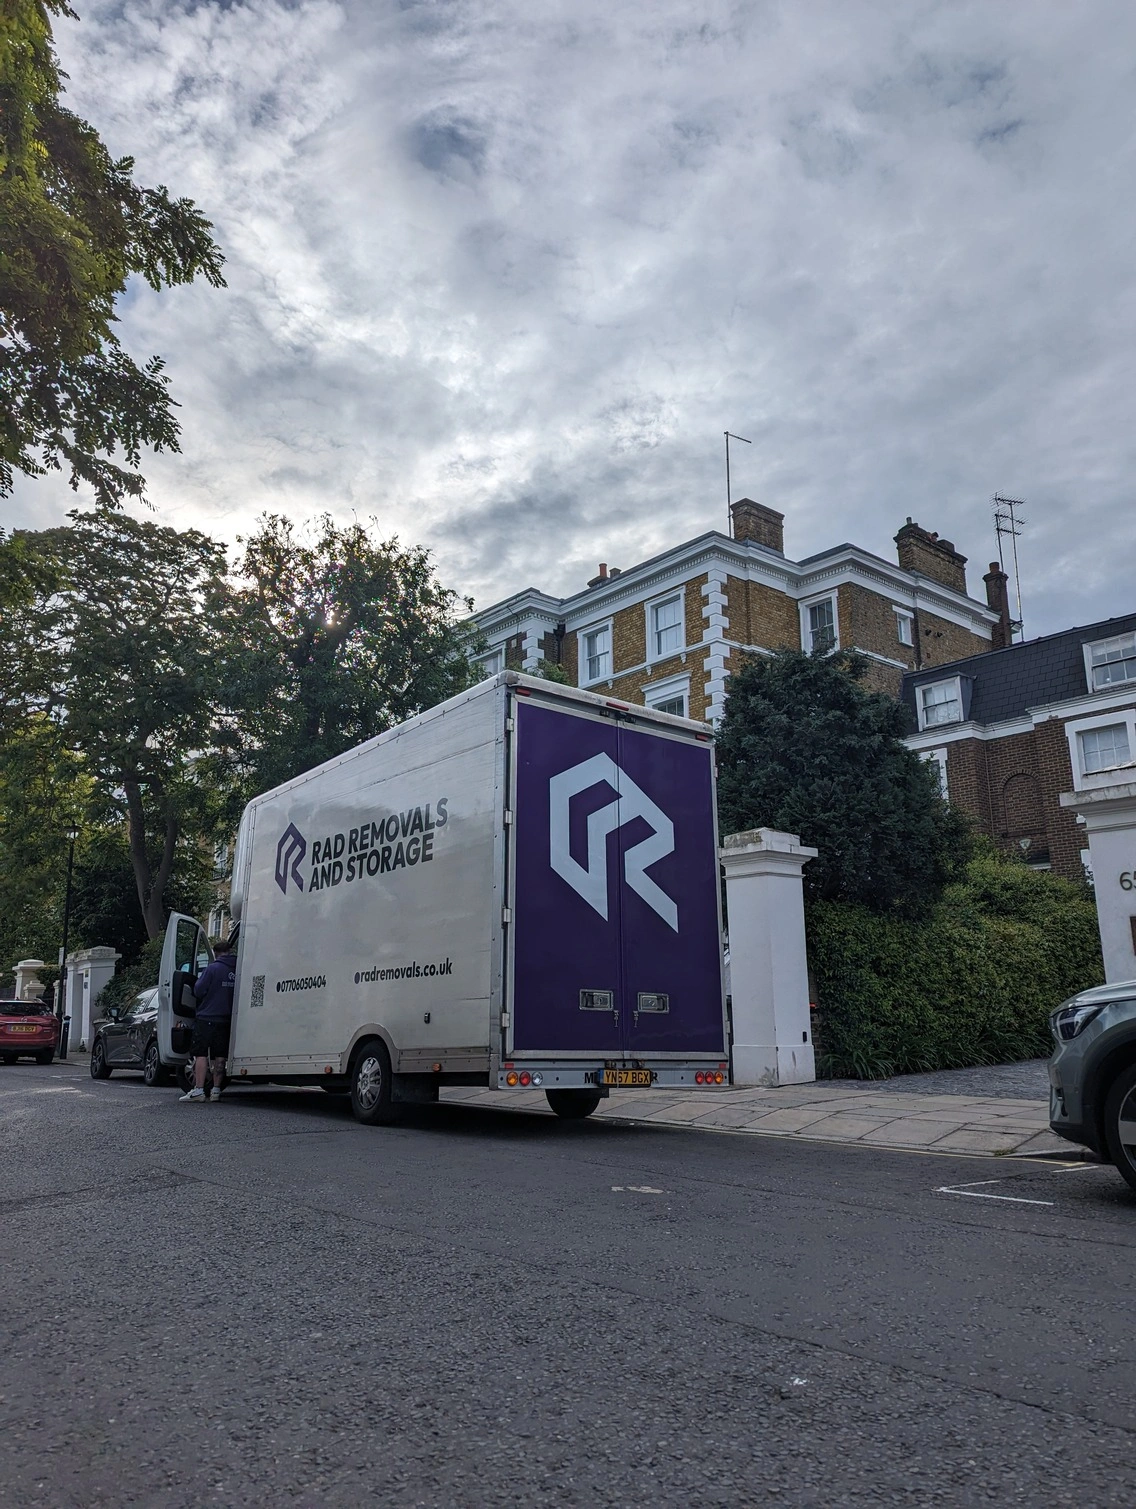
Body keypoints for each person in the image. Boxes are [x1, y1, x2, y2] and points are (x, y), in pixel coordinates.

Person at [179, 937, 237, 1104]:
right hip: (227, 1019)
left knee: (201, 1053)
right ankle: (216, 1090)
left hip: (207, 1017)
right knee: (220, 1055)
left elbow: (198, 990)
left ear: (215, 953)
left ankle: (199, 1090)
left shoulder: (212, 969)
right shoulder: (239, 969)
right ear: (229, 951)